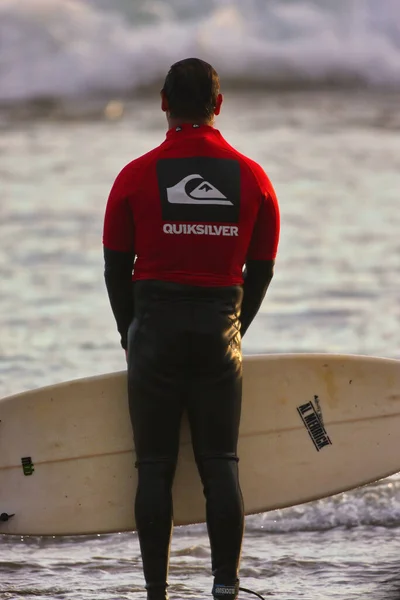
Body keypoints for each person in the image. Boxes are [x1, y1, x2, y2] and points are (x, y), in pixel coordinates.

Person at [102, 58, 280, 600]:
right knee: (220, 463)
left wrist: (129, 333)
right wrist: (235, 329)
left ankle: (156, 592)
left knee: (154, 466)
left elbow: (115, 268)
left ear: (163, 103)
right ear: (218, 105)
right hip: (218, 328)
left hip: (153, 329)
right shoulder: (253, 178)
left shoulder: (134, 176)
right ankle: (225, 586)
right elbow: (262, 268)